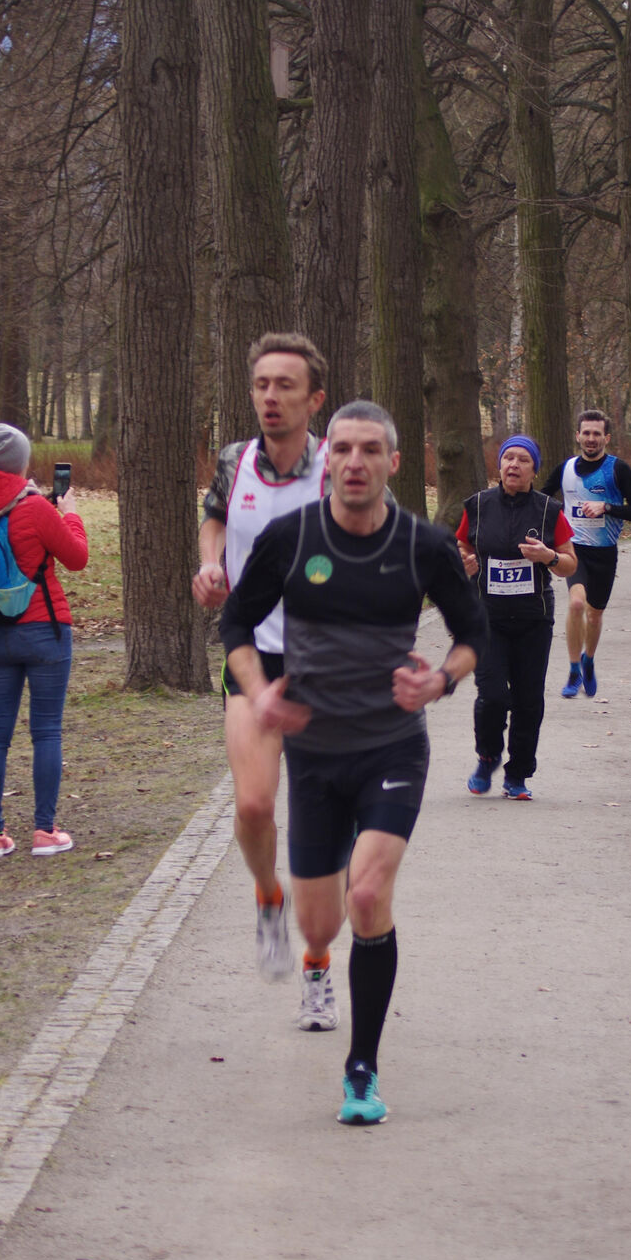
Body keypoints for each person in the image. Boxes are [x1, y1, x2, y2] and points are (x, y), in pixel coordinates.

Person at [219, 400, 487, 1125]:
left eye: (371, 450)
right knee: (321, 926)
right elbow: (235, 622)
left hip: (391, 746)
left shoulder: (423, 544)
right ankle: (311, 948)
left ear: (393, 462)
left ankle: (361, 1068)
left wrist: (441, 680)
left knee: (367, 895)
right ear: (326, 461)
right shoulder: (290, 538)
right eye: (342, 449)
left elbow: (474, 633)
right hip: (313, 755)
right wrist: (258, 690)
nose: (355, 462)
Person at [192, 332, 329, 1004]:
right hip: (251, 655)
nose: (270, 396)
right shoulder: (234, 459)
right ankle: (269, 897)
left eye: (285, 385)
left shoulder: (339, 465)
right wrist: (210, 564)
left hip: (325, 663)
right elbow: (215, 518)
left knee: (320, 827)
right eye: (261, 384)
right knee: (252, 804)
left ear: (314, 399)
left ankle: (318, 968)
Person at [0, 423, 88, 857]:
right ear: (20, 462)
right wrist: (69, 514)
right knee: (46, 730)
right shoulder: (34, 508)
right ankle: (45, 831)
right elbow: (77, 557)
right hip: (45, 628)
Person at [456, 435, 576, 800]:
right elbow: (461, 545)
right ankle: (487, 756)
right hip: (487, 619)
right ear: (499, 465)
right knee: (492, 696)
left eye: (523, 460)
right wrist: (464, 562)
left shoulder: (549, 510)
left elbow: (569, 563)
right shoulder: (478, 505)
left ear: (534, 470)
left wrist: (548, 557)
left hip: (532, 620)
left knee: (528, 700)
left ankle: (518, 774)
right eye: (508, 458)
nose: (514, 464)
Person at [541, 409, 631, 698]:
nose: (590, 438)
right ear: (577, 436)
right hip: (573, 551)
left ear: (606, 438)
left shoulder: (618, 469)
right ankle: (574, 670)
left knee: (595, 615)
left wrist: (606, 507)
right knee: (576, 604)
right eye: (586, 433)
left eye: (596, 434)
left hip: (604, 554)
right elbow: (542, 499)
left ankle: (588, 660)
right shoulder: (565, 469)